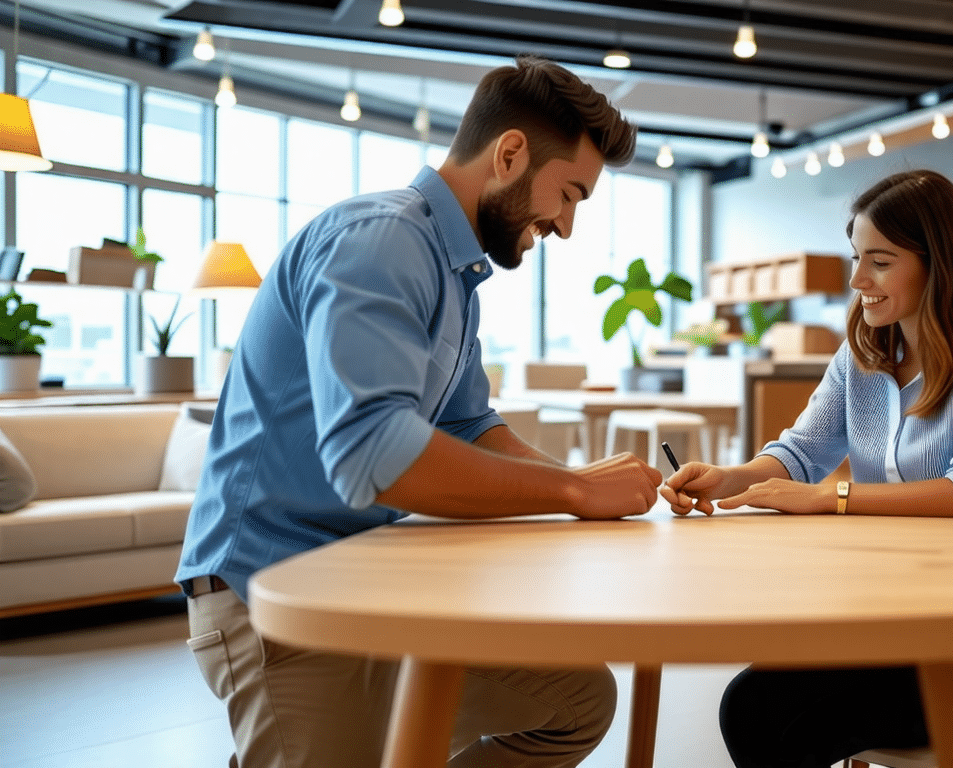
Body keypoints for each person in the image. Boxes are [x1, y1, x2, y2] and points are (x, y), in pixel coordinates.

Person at [176, 55, 662, 768]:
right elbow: (372, 455)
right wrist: (572, 490)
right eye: (569, 195)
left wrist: (580, 486)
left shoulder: (453, 272)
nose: (564, 225)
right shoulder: (381, 241)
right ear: (510, 154)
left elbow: (469, 425)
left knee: (575, 701)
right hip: (270, 594)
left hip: (358, 578)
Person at [660, 169, 953, 768]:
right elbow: (804, 450)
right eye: (857, 258)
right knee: (749, 708)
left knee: (786, 724)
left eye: (880, 262)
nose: (859, 280)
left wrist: (830, 499)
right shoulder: (864, 348)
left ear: (937, 262)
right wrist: (731, 477)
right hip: (877, 611)